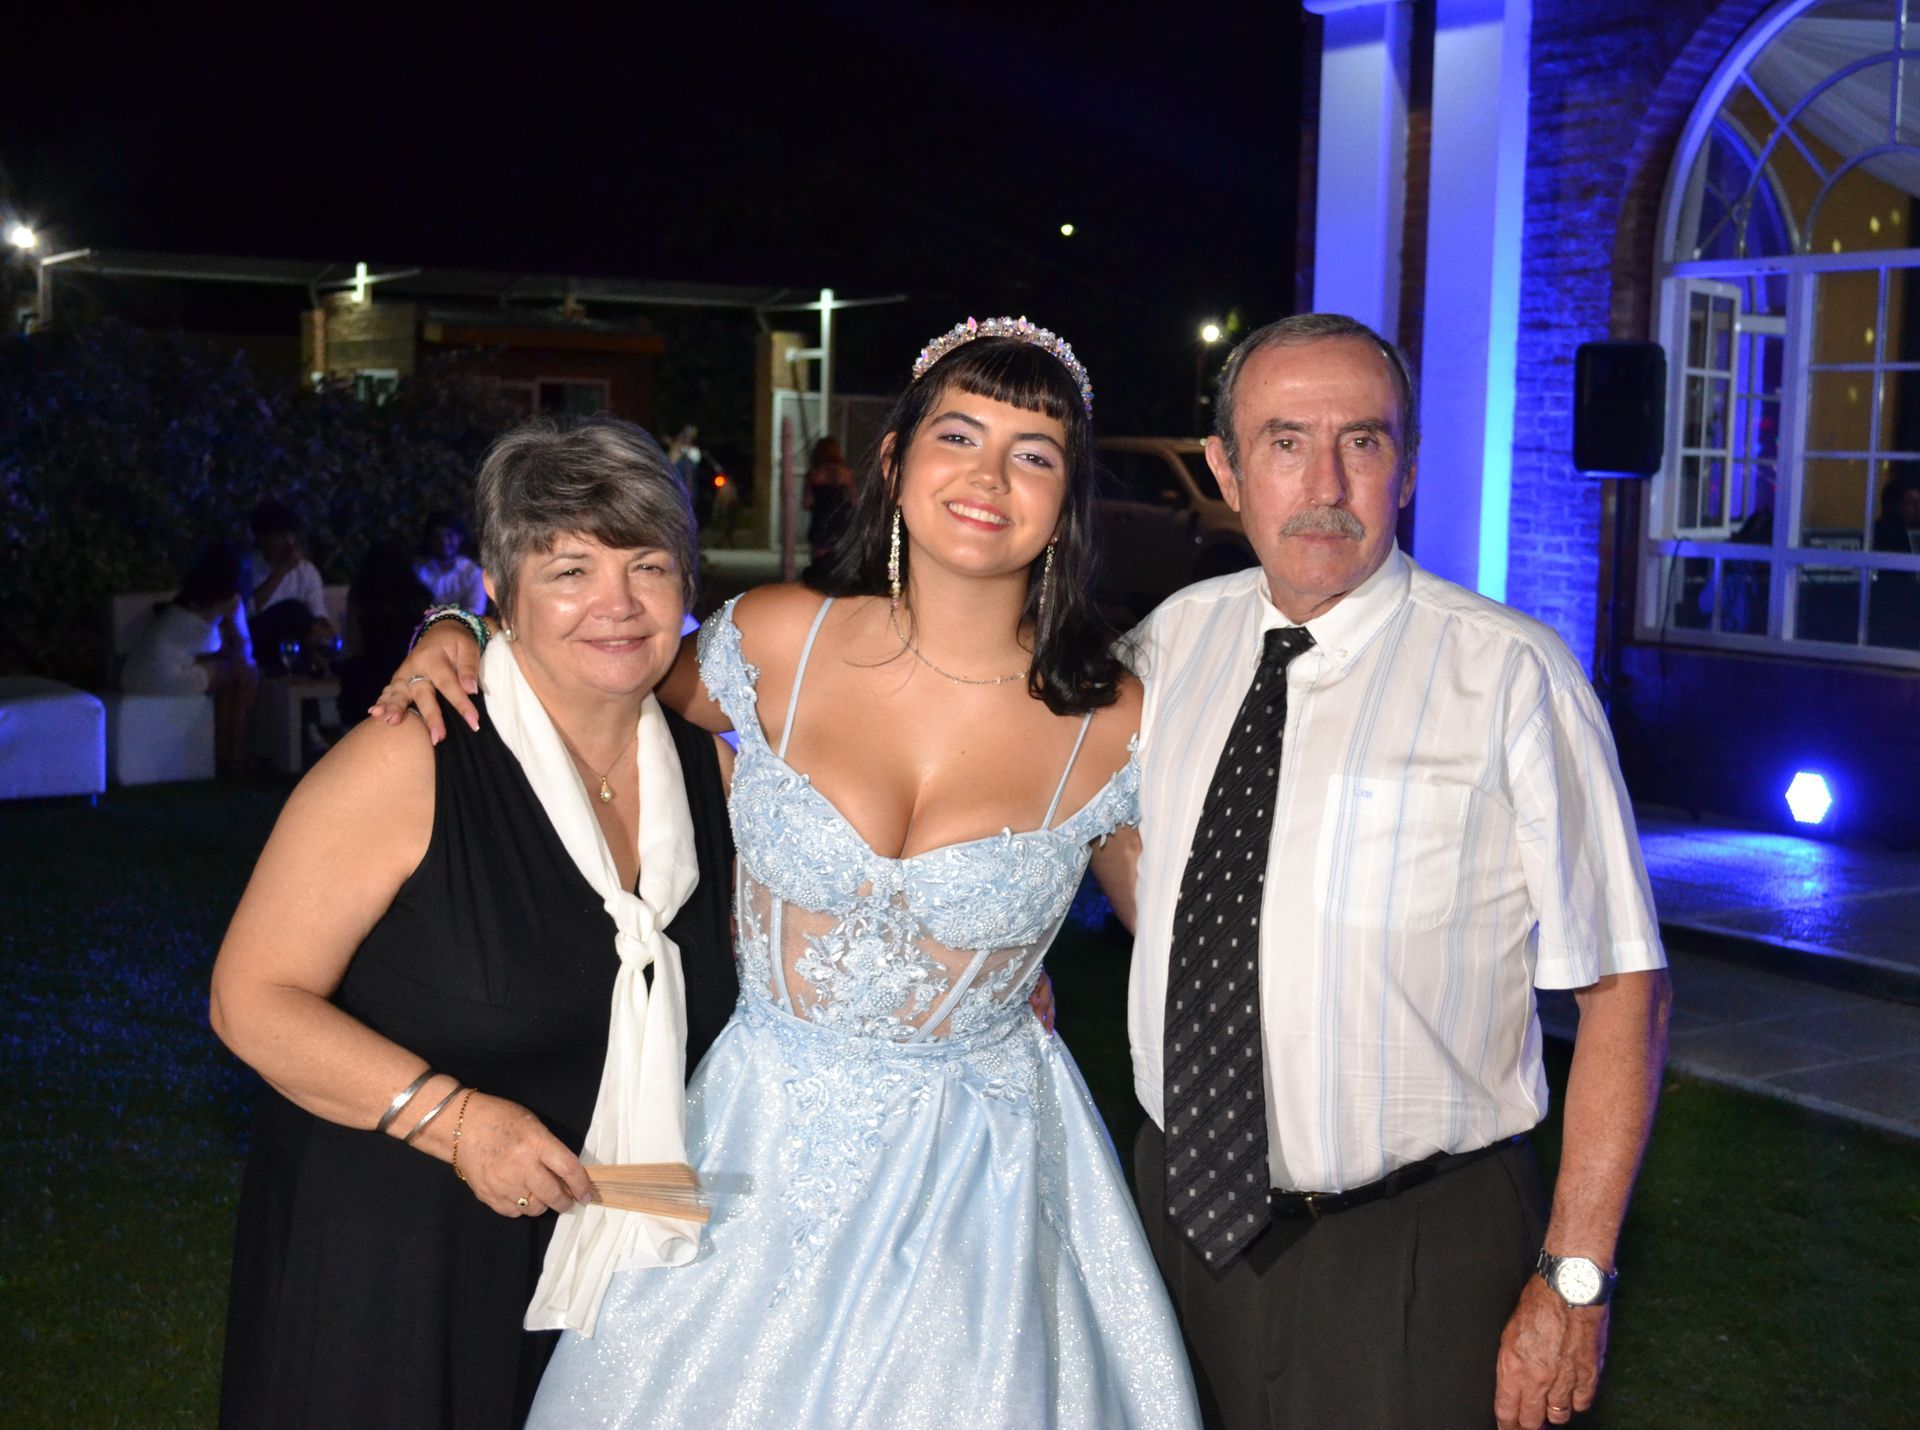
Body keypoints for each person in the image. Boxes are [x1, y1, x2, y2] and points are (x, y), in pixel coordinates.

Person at [380, 318, 1201, 1428]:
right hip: (750, 1147)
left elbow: (1189, 945)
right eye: (959, 435)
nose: (989, 477)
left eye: (1034, 452)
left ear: (1069, 499)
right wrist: (458, 627)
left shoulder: (1118, 721)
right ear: (895, 460)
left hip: (983, 1183)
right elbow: (595, 654)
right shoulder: (776, 641)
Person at [1112, 314, 1672, 1430]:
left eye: (1361, 442)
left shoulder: (1512, 676)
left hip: (1412, 1250)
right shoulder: (1168, 645)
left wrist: (1575, 1276)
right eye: (1284, 442)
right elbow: (1108, 837)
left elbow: (1623, 986)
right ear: (1225, 467)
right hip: (1175, 1222)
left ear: (1407, 468)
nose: (1325, 484)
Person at [210, 418, 738, 1429]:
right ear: (499, 592)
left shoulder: (708, 772)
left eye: (648, 565)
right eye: (570, 570)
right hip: (398, 1258)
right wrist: (453, 1121)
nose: (619, 603)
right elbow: (250, 999)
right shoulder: (412, 757)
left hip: (607, 1259)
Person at [121, 542, 259, 774]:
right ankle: (235, 755)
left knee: (231, 675)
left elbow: (195, 650)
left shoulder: (189, 597)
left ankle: (224, 752)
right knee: (248, 674)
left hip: (135, 674)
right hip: (163, 676)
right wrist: (242, 660)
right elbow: (245, 646)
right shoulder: (229, 600)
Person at [247, 498, 336, 674]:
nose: (289, 542)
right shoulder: (249, 567)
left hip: (299, 641)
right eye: (280, 536)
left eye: (291, 535)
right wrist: (283, 570)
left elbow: (317, 614)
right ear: (262, 538)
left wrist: (322, 632)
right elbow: (250, 609)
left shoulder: (306, 571)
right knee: (292, 609)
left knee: (306, 624)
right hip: (259, 640)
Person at [415, 507, 489, 612]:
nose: (444, 542)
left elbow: (474, 612)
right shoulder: (418, 570)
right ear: (429, 539)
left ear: (460, 538)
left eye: (449, 536)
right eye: (437, 537)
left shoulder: (473, 573)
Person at [802, 433, 855, 569]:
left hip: (820, 521)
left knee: (819, 564)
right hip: (840, 522)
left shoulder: (813, 474)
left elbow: (807, 503)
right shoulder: (845, 473)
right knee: (838, 563)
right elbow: (854, 500)